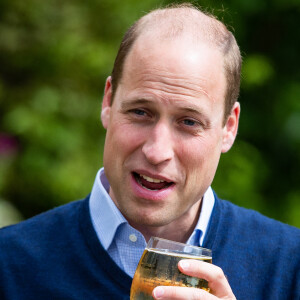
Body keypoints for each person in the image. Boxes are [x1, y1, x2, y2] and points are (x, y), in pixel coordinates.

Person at [0, 3, 299, 300]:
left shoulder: (289, 267)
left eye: (189, 122)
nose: (157, 151)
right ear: (108, 102)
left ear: (229, 127)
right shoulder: (10, 266)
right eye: (141, 112)